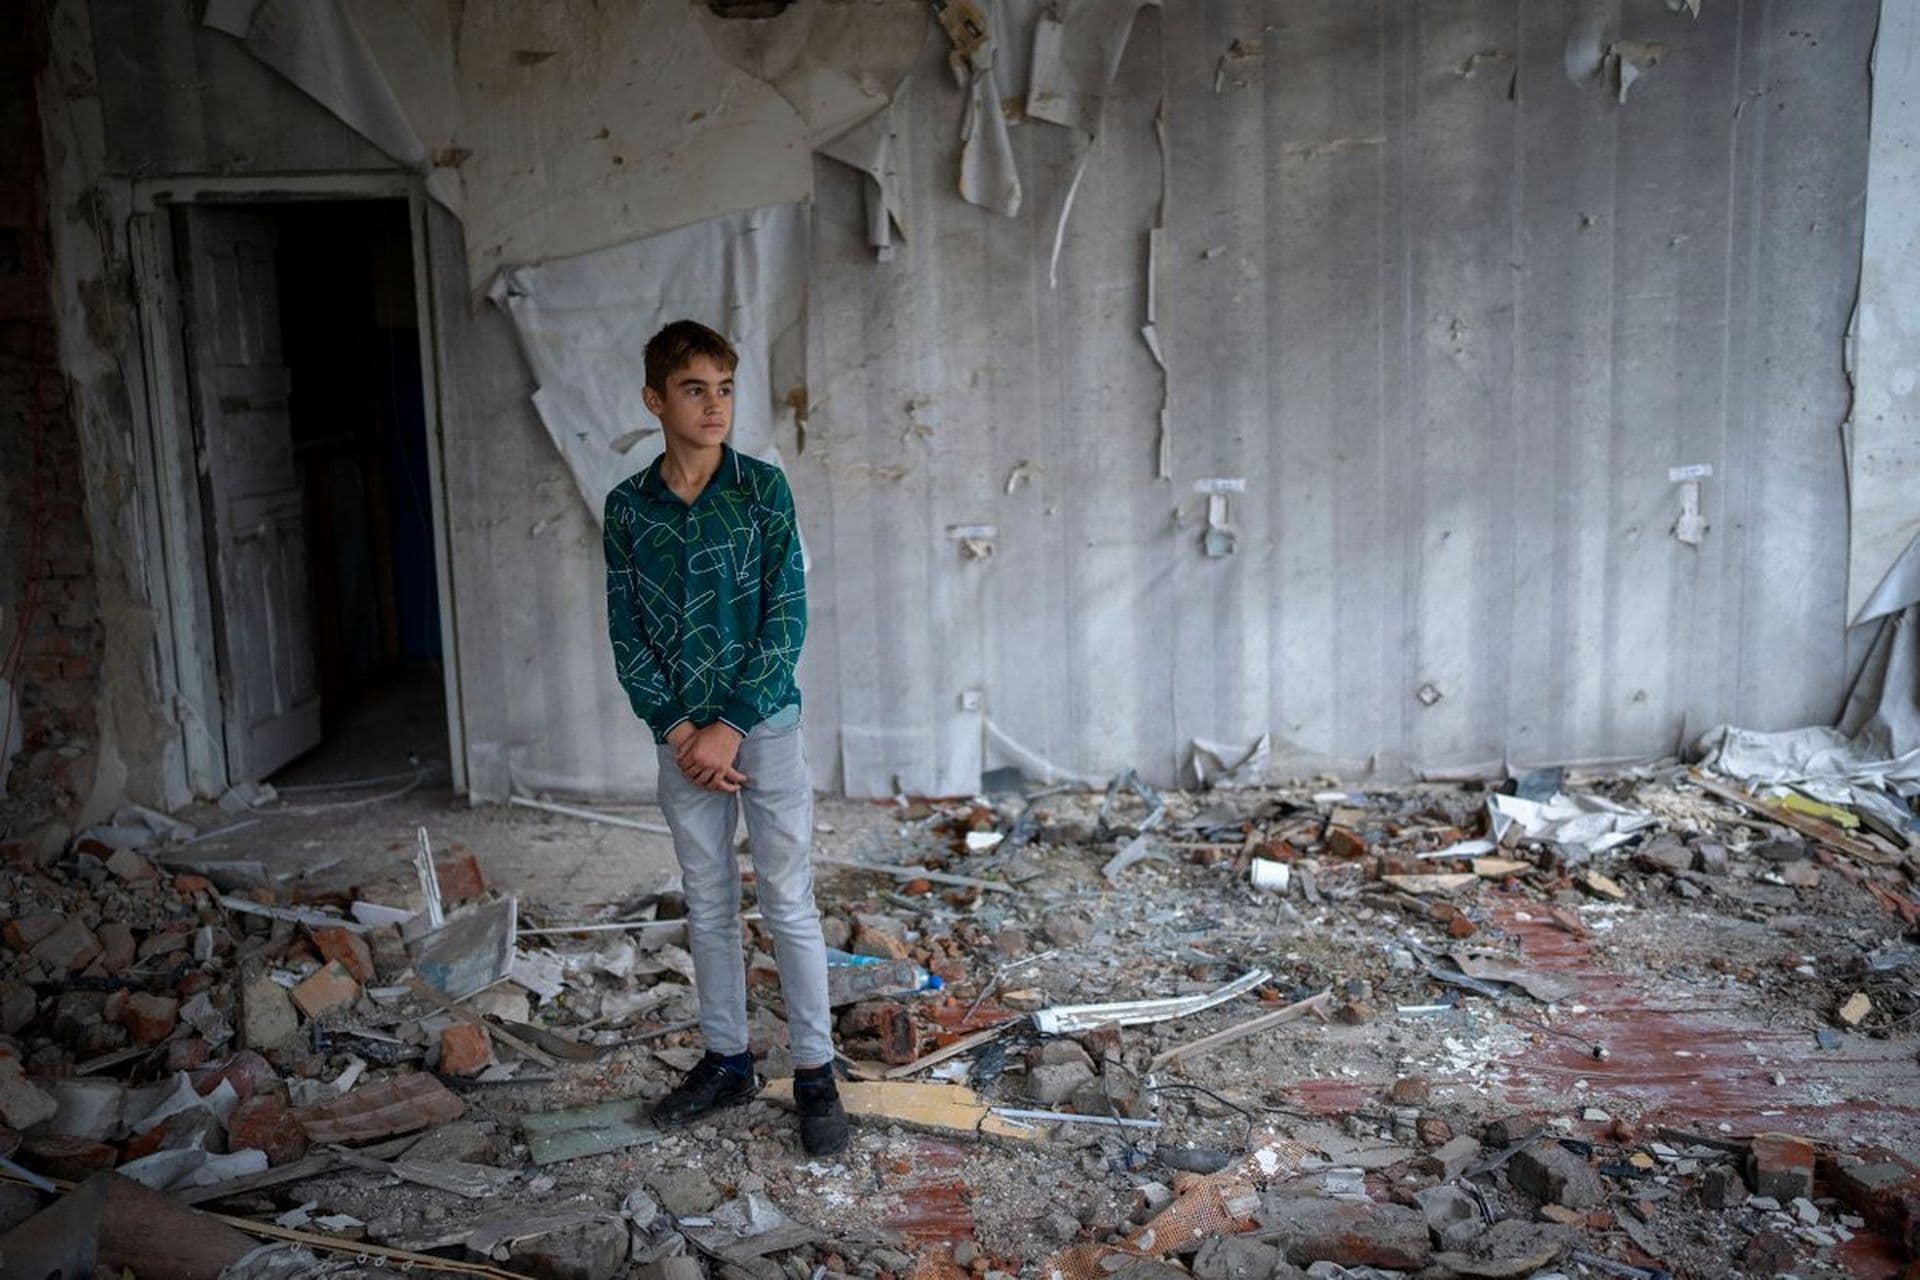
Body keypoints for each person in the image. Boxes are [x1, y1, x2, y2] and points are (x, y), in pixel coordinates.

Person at [603, 319, 846, 1157]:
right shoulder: (629, 508)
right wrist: (678, 729)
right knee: (708, 903)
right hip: (682, 745)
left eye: (725, 388)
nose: (714, 405)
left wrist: (728, 726)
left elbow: (788, 616)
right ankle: (728, 1061)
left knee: (787, 900)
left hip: (763, 728)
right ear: (655, 400)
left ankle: (816, 1075)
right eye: (694, 389)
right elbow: (626, 630)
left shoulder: (762, 491)